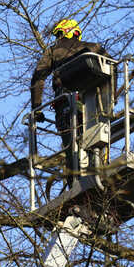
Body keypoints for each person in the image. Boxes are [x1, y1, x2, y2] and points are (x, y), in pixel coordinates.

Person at [31, 18, 112, 187]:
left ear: (64, 32)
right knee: (98, 143)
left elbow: (38, 78)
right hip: (96, 106)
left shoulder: (53, 51)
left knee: (72, 151)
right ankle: (101, 177)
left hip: (66, 105)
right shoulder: (94, 48)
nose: (58, 39)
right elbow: (112, 68)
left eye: (59, 35)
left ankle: (74, 185)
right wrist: (110, 101)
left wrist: (37, 108)